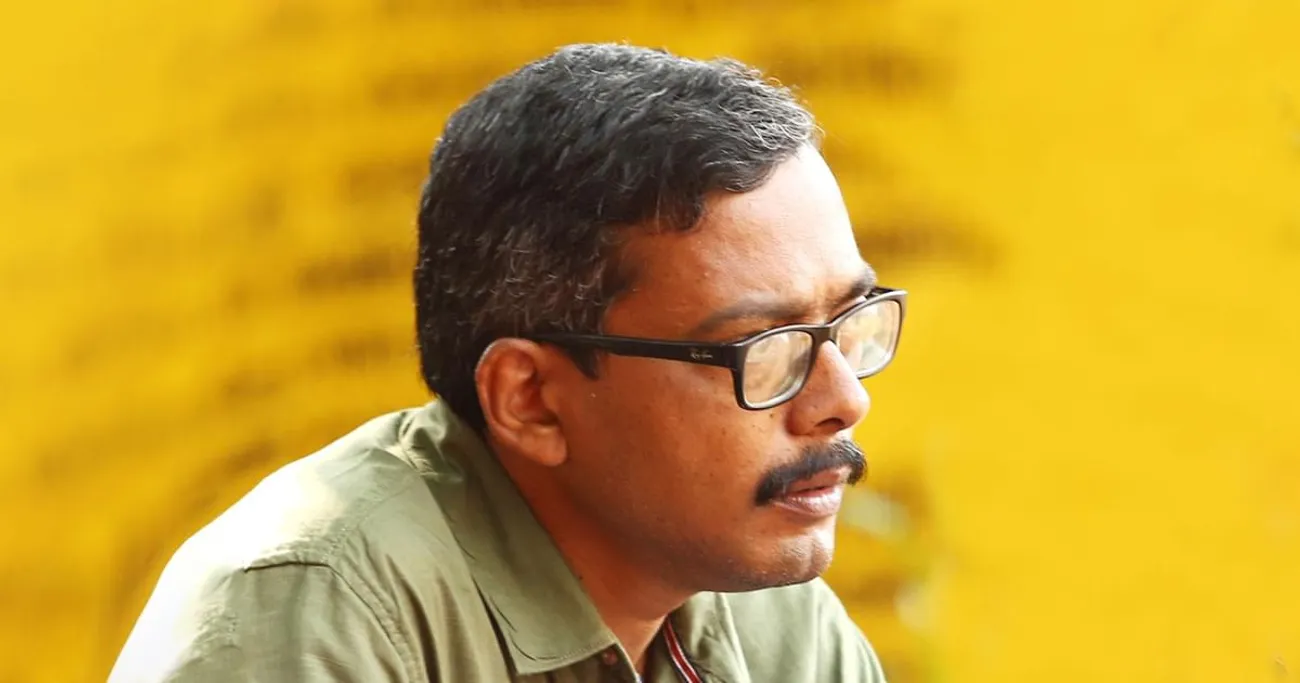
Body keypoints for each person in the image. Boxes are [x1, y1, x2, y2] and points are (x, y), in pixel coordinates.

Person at [110, 43, 906, 682]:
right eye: (764, 347)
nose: (843, 400)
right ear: (532, 399)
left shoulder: (760, 604)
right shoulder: (314, 613)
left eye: (849, 320)